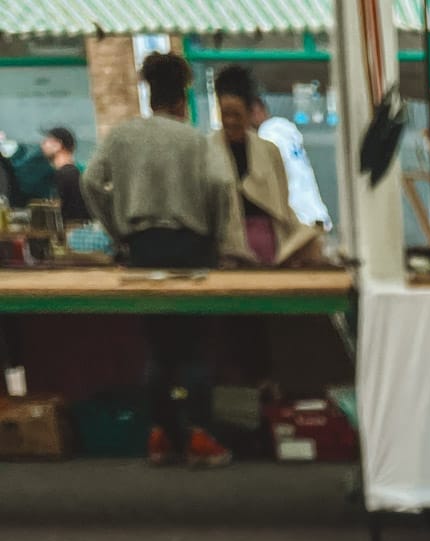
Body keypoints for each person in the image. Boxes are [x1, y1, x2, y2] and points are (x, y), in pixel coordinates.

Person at [82, 51, 232, 469]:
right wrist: (215, 235)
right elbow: (221, 185)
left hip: (143, 248)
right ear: (183, 96)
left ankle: (161, 436)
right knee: (196, 348)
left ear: (149, 94)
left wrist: (118, 230)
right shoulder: (195, 140)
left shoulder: (124, 136)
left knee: (158, 348)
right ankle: (200, 437)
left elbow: (90, 181)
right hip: (193, 246)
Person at [211, 65, 311, 265]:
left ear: (250, 113)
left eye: (237, 115)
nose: (230, 121)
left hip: (270, 247)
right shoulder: (208, 150)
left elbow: (282, 202)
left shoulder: (269, 151)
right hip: (226, 252)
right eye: (225, 114)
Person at [249, 96, 331, 230]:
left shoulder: (268, 136)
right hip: (315, 212)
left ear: (256, 111)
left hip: (299, 217)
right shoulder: (286, 130)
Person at [40, 126, 88, 222]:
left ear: (58, 145)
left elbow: (72, 213)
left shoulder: (67, 175)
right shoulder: (73, 173)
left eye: (47, 141)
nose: (42, 144)